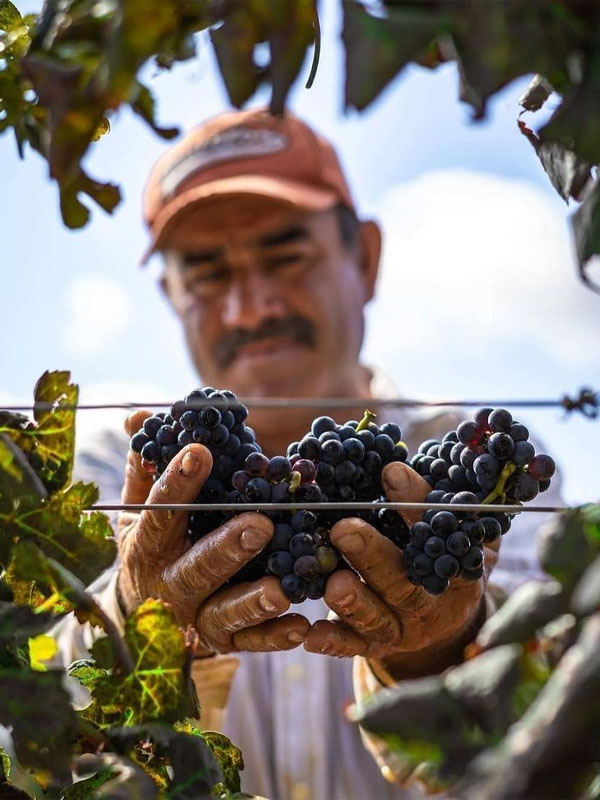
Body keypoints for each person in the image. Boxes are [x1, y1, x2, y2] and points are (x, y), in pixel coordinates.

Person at [56, 107, 561, 800]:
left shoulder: (482, 468)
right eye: (205, 274)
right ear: (168, 296)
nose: (251, 307)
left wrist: (446, 646)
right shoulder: (111, 475)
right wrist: (128, 628)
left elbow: (564, 716)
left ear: (367, 259)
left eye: (286, 255)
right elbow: (33, 732)